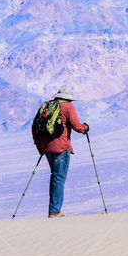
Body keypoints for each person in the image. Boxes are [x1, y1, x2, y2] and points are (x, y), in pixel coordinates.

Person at [31, 87, 89, 218]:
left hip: (46, 148)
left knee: (55, 177)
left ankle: (54, 210)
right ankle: (54, 211)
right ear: (68, 98)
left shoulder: (45, 106)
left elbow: (34, 127)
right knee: (58, 178)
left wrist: (39, 146)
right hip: (61, 147)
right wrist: (86, 127)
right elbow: (77, 127)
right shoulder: (68, 107)